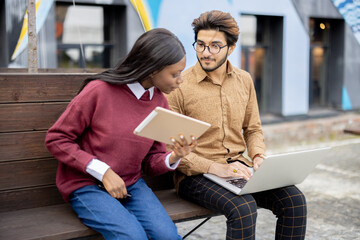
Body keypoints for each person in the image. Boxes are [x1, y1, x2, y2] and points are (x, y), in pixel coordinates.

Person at [166, 10, 307, 240]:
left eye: (214, 46)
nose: (205, 53)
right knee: (243, 209)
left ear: (231, 48)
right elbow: (171, 149)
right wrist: (215, 168)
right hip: (195, 176)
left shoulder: (244, 79)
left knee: (294, 201)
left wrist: (259, 156)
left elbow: (252, 129)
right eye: (200, 45)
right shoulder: (180, 86)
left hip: (238, 170)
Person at [45, 28, 197, 240]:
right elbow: (57, 139)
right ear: (153, 69)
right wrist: (104, 172)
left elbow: (151, 163)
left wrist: (174, 156)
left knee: (168, 236)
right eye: (175, 74)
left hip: (131, 183)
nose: (181, 80)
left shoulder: (159, 101)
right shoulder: (99, 91)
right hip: (86, 185)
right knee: (132, 237)